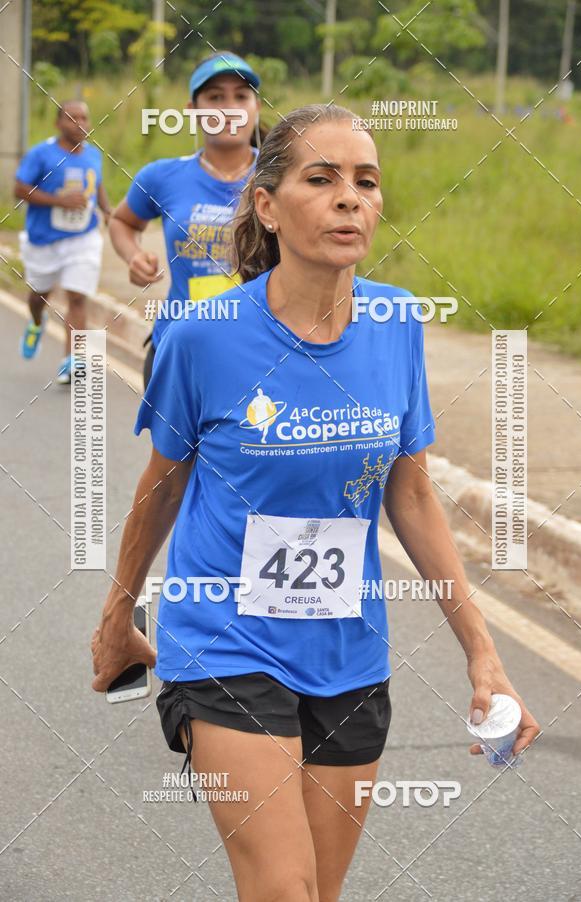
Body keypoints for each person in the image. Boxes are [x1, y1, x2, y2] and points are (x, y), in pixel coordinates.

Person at [91, 104, 540, 902]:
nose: (350, 198)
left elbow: (412, 493)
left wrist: (482, 652)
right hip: (225, 645)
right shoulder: (203, 335)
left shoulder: (398, 323)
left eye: (366, 182)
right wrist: (117, 615)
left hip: (349, 653)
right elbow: (161, 486)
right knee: (283, 893)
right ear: (267, 204)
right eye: (321, 178)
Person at [108, 50, 265, 388]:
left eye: (241, 96)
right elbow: (121, 222)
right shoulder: (162, 177)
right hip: (179, 347)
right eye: (215, 97)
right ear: (192, 111)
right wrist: (134, 257)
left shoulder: (281, 177)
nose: (229, 108)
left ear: (257, 107)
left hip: (260, 351)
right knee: (171, 444)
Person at [15, 100, 111, 383]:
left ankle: (72, 360)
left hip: (83, 238)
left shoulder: (94, 155)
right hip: (43, 241)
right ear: (59, 123)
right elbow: (20, 189)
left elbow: (98, 184)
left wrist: (108, 210)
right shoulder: (41, 154)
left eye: (85, 117)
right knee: (38, 295)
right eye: (73, 117)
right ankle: (35, 322)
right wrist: (59, 201)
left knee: (77, 296)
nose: (80, 122)